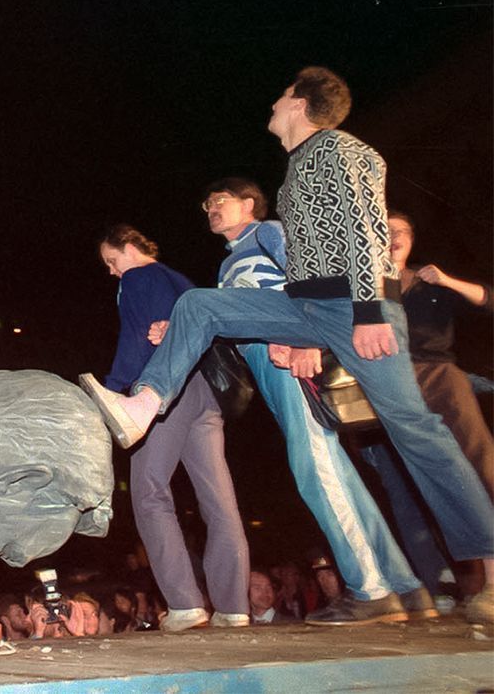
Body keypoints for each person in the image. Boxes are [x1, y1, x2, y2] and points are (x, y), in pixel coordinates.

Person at [80, 66, 494, 626]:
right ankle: (143, 403)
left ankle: (485, 565)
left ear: (299, 102)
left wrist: (369, 311)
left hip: (354, 310)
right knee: (199, 305)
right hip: (307, 310)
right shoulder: (296, 169)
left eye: (281, 95)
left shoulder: (341, 149)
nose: (273, 103)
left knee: (416, 431)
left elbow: (367, 224)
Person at [173, 177, 432, 624]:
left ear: (249, 204)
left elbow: (314, 283)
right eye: (206, 203)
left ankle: (370, 589)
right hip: (269, 367)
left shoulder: (268, 232)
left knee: (316, 467)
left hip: (292, 359)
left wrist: (308, 341)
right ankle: (404, 588)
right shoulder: (228, 264)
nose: (210, 209)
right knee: (335, 470)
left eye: (220, 201)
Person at [83, 224, 249, 631]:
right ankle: (233, 607)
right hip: (206, 393)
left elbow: (138, 335)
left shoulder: (138, 277)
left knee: (150, 494)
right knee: (219, 501)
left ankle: (186, 604)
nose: (111, 271)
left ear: (131, 247)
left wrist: (113, 388)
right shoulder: (180, 279)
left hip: (164, 393)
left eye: (112, 260)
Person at [389, 211, 494, 500]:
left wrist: (448, 281)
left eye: (401, 231)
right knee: (421, 471)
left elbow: (488, 299)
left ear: (411, 240)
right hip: (389, 377)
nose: (393, 237)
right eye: (385, 230)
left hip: (435, 370)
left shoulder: (428, 280)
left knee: (475, 448)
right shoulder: (364, 287)